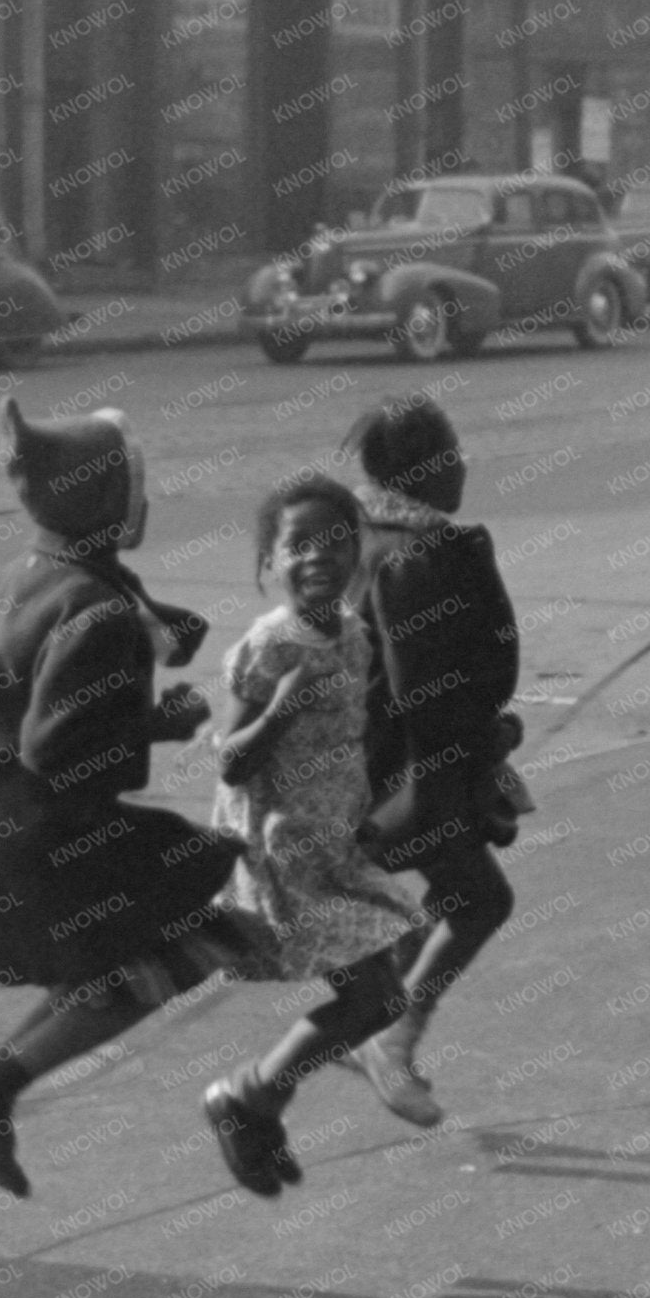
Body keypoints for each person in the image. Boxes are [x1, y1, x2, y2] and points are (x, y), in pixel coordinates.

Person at [0, 400, 277, 1201]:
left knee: (113, 950)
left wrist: (139, 717)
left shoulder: (0, 584)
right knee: (193, 917)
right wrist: (154, 727)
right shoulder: (103, 612)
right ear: (106, 501)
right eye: (134, 486)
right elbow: (67, 756)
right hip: (42, 839)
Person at [199, 474, 425, 1194]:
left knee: (389, 984)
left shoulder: (355, 634)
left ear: (357, 550)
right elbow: (231, 760)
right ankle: (248, 1097)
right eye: (297, 545)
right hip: (282, 854)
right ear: (271, 559)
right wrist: (280, 713)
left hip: (334, 842)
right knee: (376, 999)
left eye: (334, 542)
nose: (316, 558)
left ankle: (259, 1098)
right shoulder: (270, 646)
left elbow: (359, 732)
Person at [344, 395, 528, 1124]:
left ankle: (377, 1026)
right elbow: (424, 688)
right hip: (411, 770)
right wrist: (485, 743)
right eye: (450, 454)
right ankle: (388, 1037)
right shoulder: (417, 558)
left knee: (444, 903)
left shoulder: (362, 538)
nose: (462, 466)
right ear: (421, 470)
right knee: (479, 901)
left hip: (373, 765)